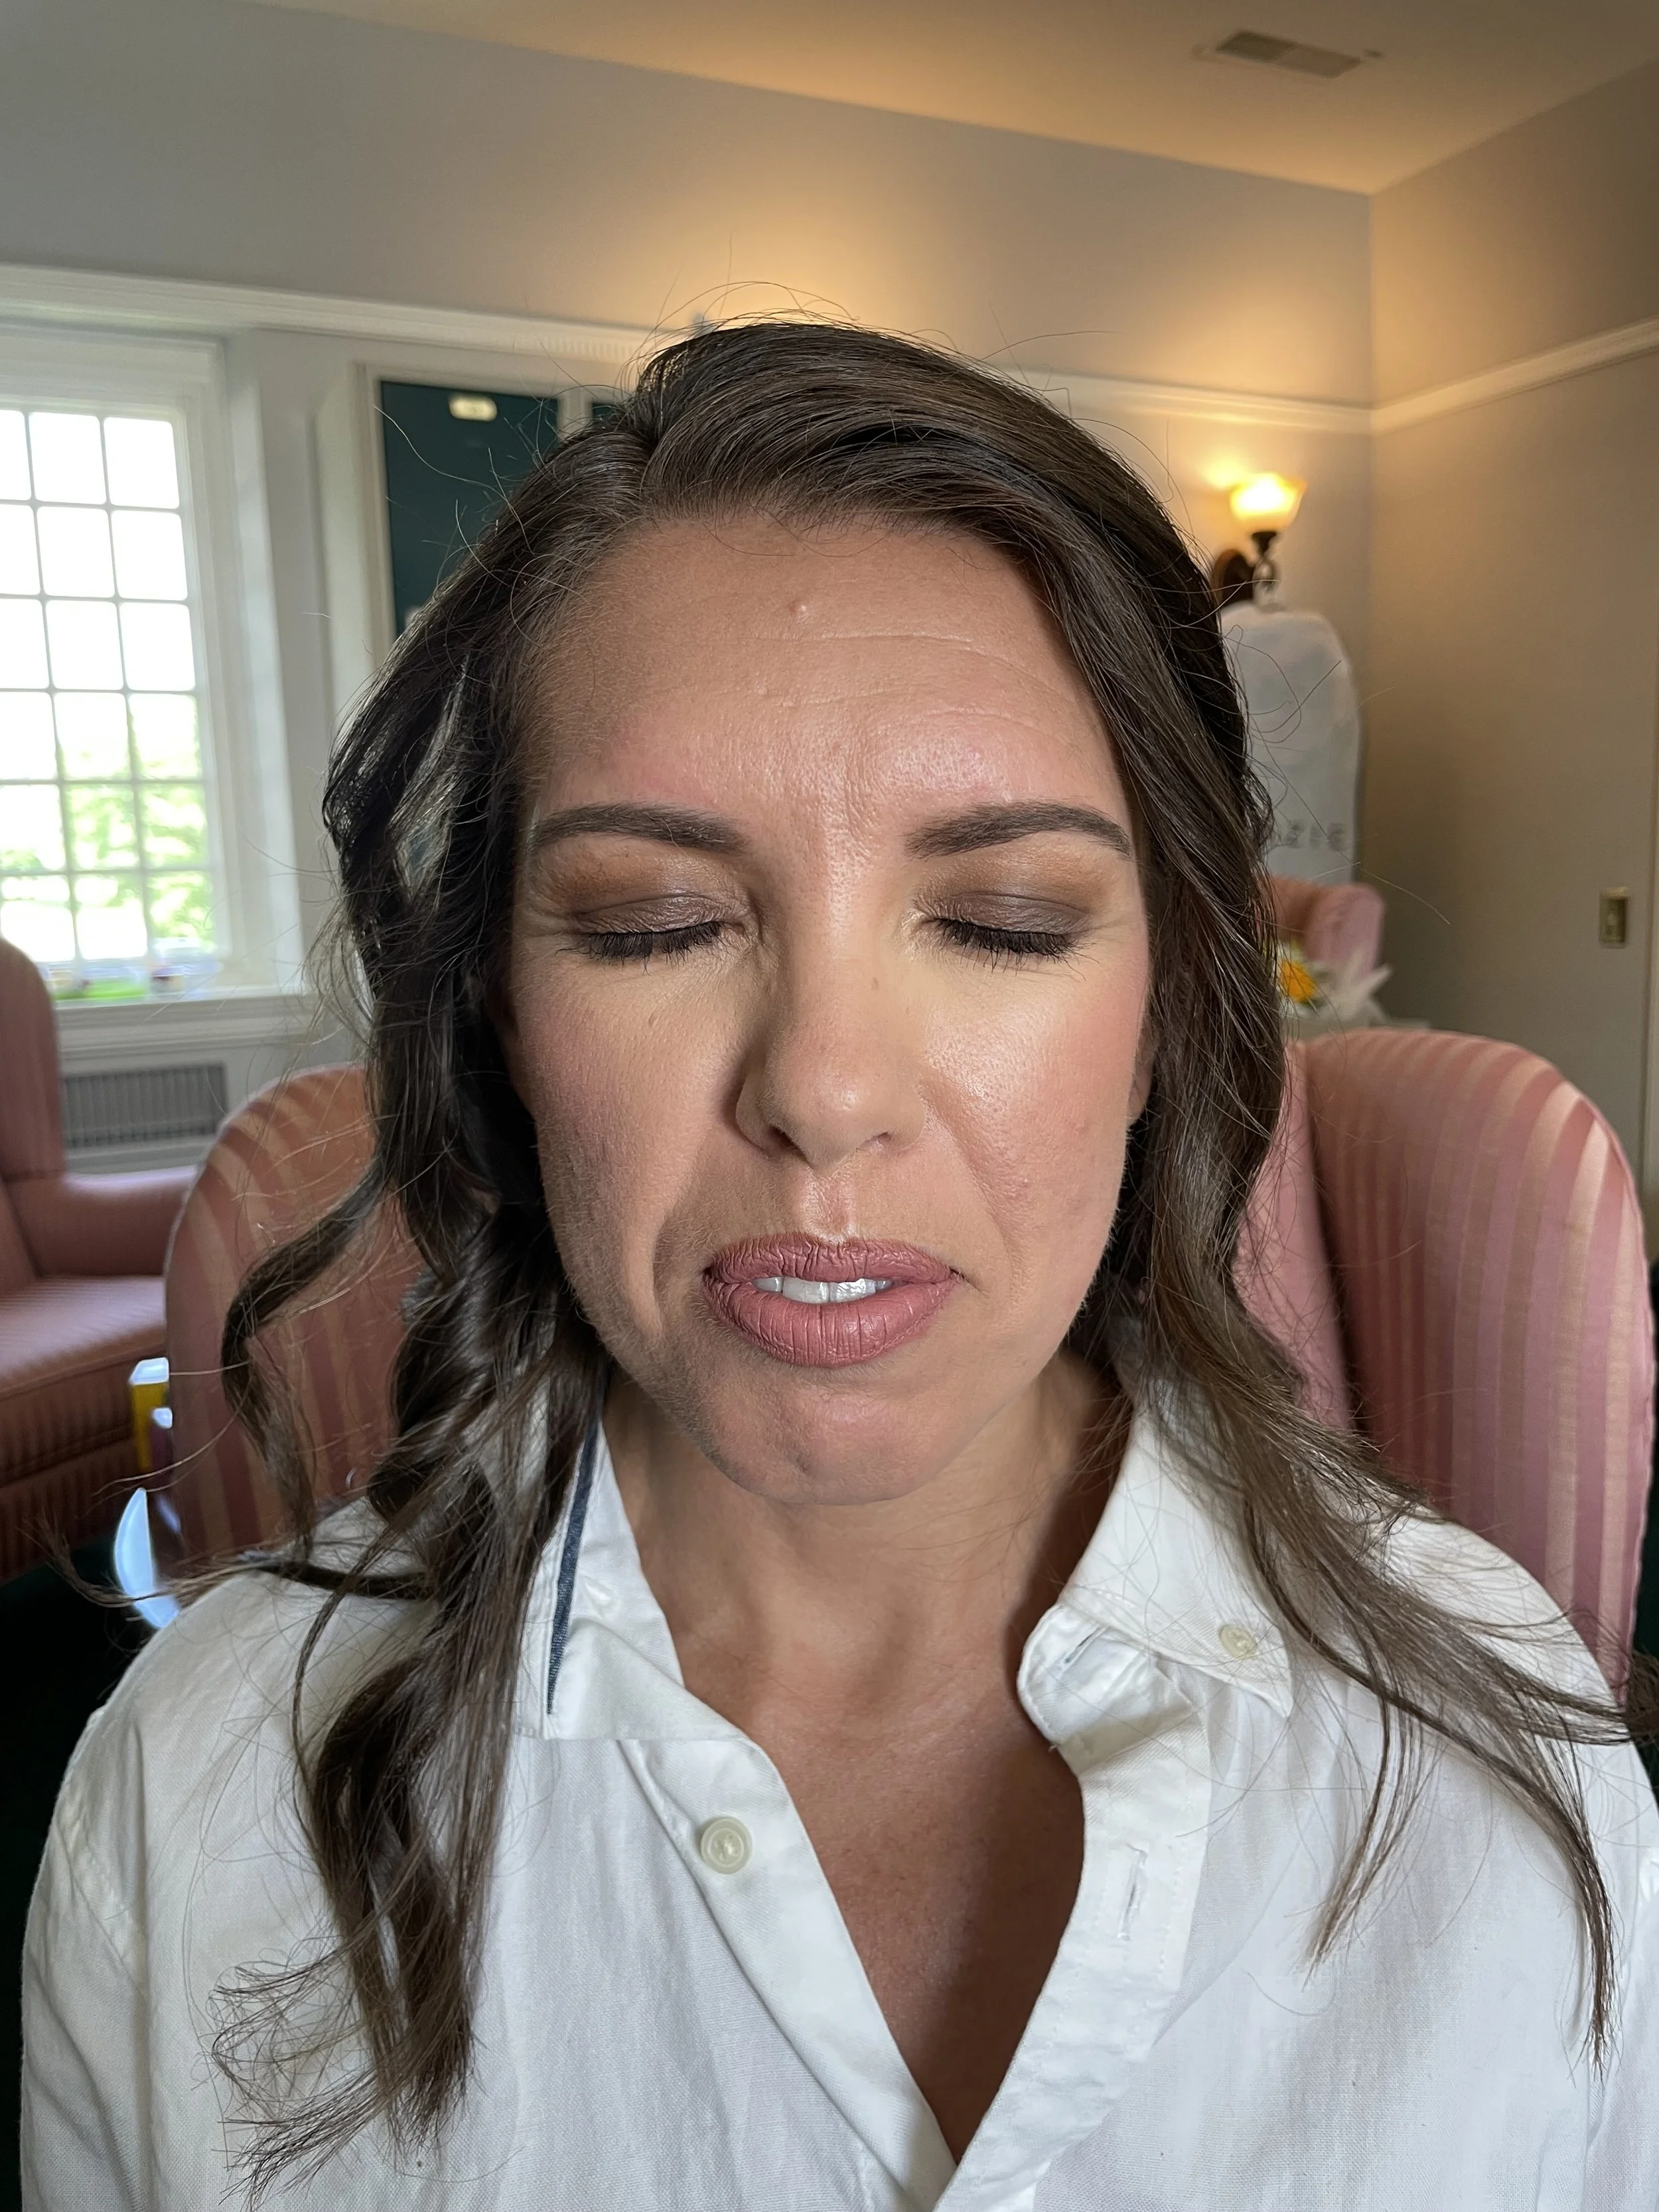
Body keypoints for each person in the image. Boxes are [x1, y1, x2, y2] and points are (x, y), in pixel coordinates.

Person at [21, 321, 1659, 2211]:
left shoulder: (1489, 1759)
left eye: (998, 918)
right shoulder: (201, 1801)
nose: (819, 1089)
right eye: (654, 924)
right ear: (498, 1013)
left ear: (1164, 1010)